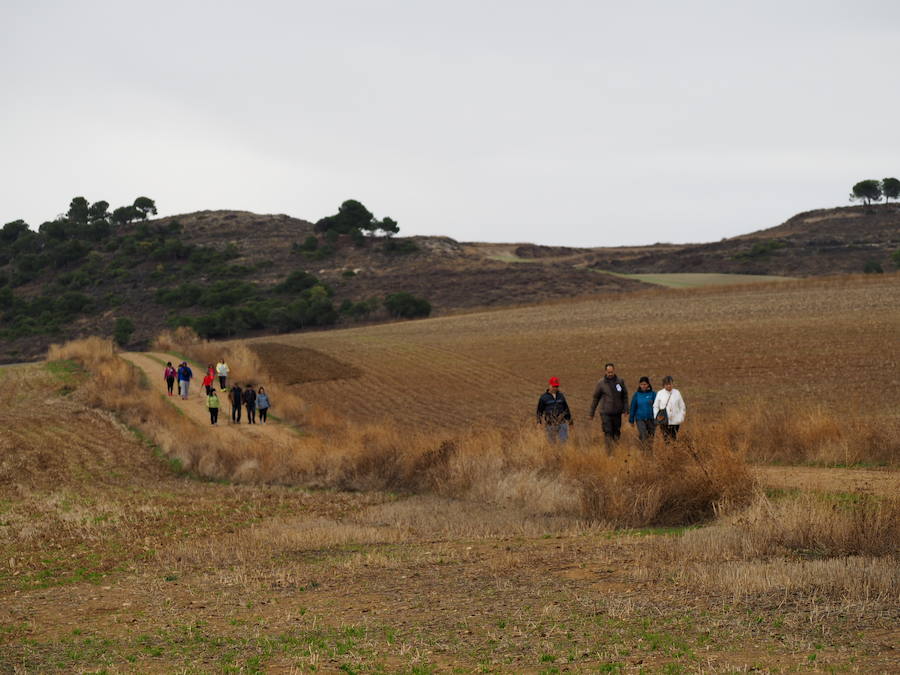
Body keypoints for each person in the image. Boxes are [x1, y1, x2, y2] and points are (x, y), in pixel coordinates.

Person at [588, 362, 629, 450]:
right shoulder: (601, 383)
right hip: (605, 412)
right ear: (605, 372)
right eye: (608, 372)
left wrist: (626, 409)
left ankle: (616, 450)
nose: (610, 374)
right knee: (608, 432)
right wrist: (591, 413)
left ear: (614, 371)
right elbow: (596, 398)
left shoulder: (620, 381)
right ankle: (609, 452)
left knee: (616, 432)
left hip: (617, 412)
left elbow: (625, 396)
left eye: (611, 372)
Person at [536, 377, 572, 443]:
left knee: (563, 442)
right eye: (554, 386)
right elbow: (539, 412)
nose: (555, 388)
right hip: (550, 425)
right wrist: (539, 422)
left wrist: (570, 422)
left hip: (562, 424)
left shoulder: (561, 396)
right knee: (552, 444)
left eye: (557, 386)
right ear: (549, 386)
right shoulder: (543, 397)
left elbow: (566, 409)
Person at [653, 375, 686, 442]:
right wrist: (656, 416)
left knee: (674, 438)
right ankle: (667, 451)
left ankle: (673, 451)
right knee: (666, 439)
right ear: (663, 385)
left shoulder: (677, 393)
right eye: (667, 384)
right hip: (663, 420)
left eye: (670, 384)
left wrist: (681, 417)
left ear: (672, 384)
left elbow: (682, 406)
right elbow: (655, 406)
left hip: (675, 420)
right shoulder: (660, 393)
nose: (669, 386)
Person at [628, 376, 657, 450]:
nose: (643, 386)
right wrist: (631, 420)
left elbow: (658, 406)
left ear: (648, 385)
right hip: (640, 419)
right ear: (639, 385)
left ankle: (650, 452)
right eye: (641, 384)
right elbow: (633, 407)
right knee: (643, 434)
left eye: (645, 384)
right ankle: (644, 451)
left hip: (651, 419)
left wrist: (658, 418)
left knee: (651, 437)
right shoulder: (637, 395)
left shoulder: (653, 394)